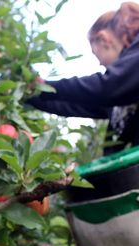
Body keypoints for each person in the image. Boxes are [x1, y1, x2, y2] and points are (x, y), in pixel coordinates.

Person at [27, 2, 139, 155]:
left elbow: (106, 86)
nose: (99, 62)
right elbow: (70, 104)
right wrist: (29, 92)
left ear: (104, 40)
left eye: (96, 53)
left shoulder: (120, 80)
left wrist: (44, 85)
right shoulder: (119, 95)